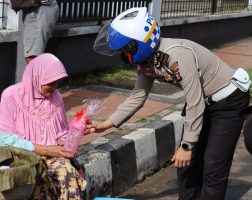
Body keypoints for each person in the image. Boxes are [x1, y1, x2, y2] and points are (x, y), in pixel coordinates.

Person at [90, 7, 251, 200]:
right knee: (186, 168)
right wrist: (106, 123)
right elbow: (138, 96)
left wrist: (186, 146)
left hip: (229, 102)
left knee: (213, 167)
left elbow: (195, 103)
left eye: (126, 51)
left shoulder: (177, 55)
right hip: (204, 103)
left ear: (139, 44)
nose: (125, 57)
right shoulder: (148, 61)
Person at [0, 53, 87, 200]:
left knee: (67, 174)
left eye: (57, 82)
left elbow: (62, 130)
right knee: (38, 181)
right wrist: (44, 150)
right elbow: (5, 140)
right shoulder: (10, 96)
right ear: (36, 76)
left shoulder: (56, 97)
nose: (54, 87)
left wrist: (64, 141)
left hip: (53, 156)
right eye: (50, 83)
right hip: (22, 157)